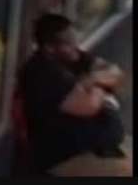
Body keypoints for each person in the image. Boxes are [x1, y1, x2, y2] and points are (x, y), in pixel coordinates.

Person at [22, 12, 132, 177]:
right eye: (68, 42)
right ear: (49, 48)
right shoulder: (43, 74)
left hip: (99, 144)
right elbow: (89, 106)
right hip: (65, 157)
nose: (76, 46)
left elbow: (116, 74)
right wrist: (97, 83)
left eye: (74, 39)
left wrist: (90, 83)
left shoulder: (73, 57)